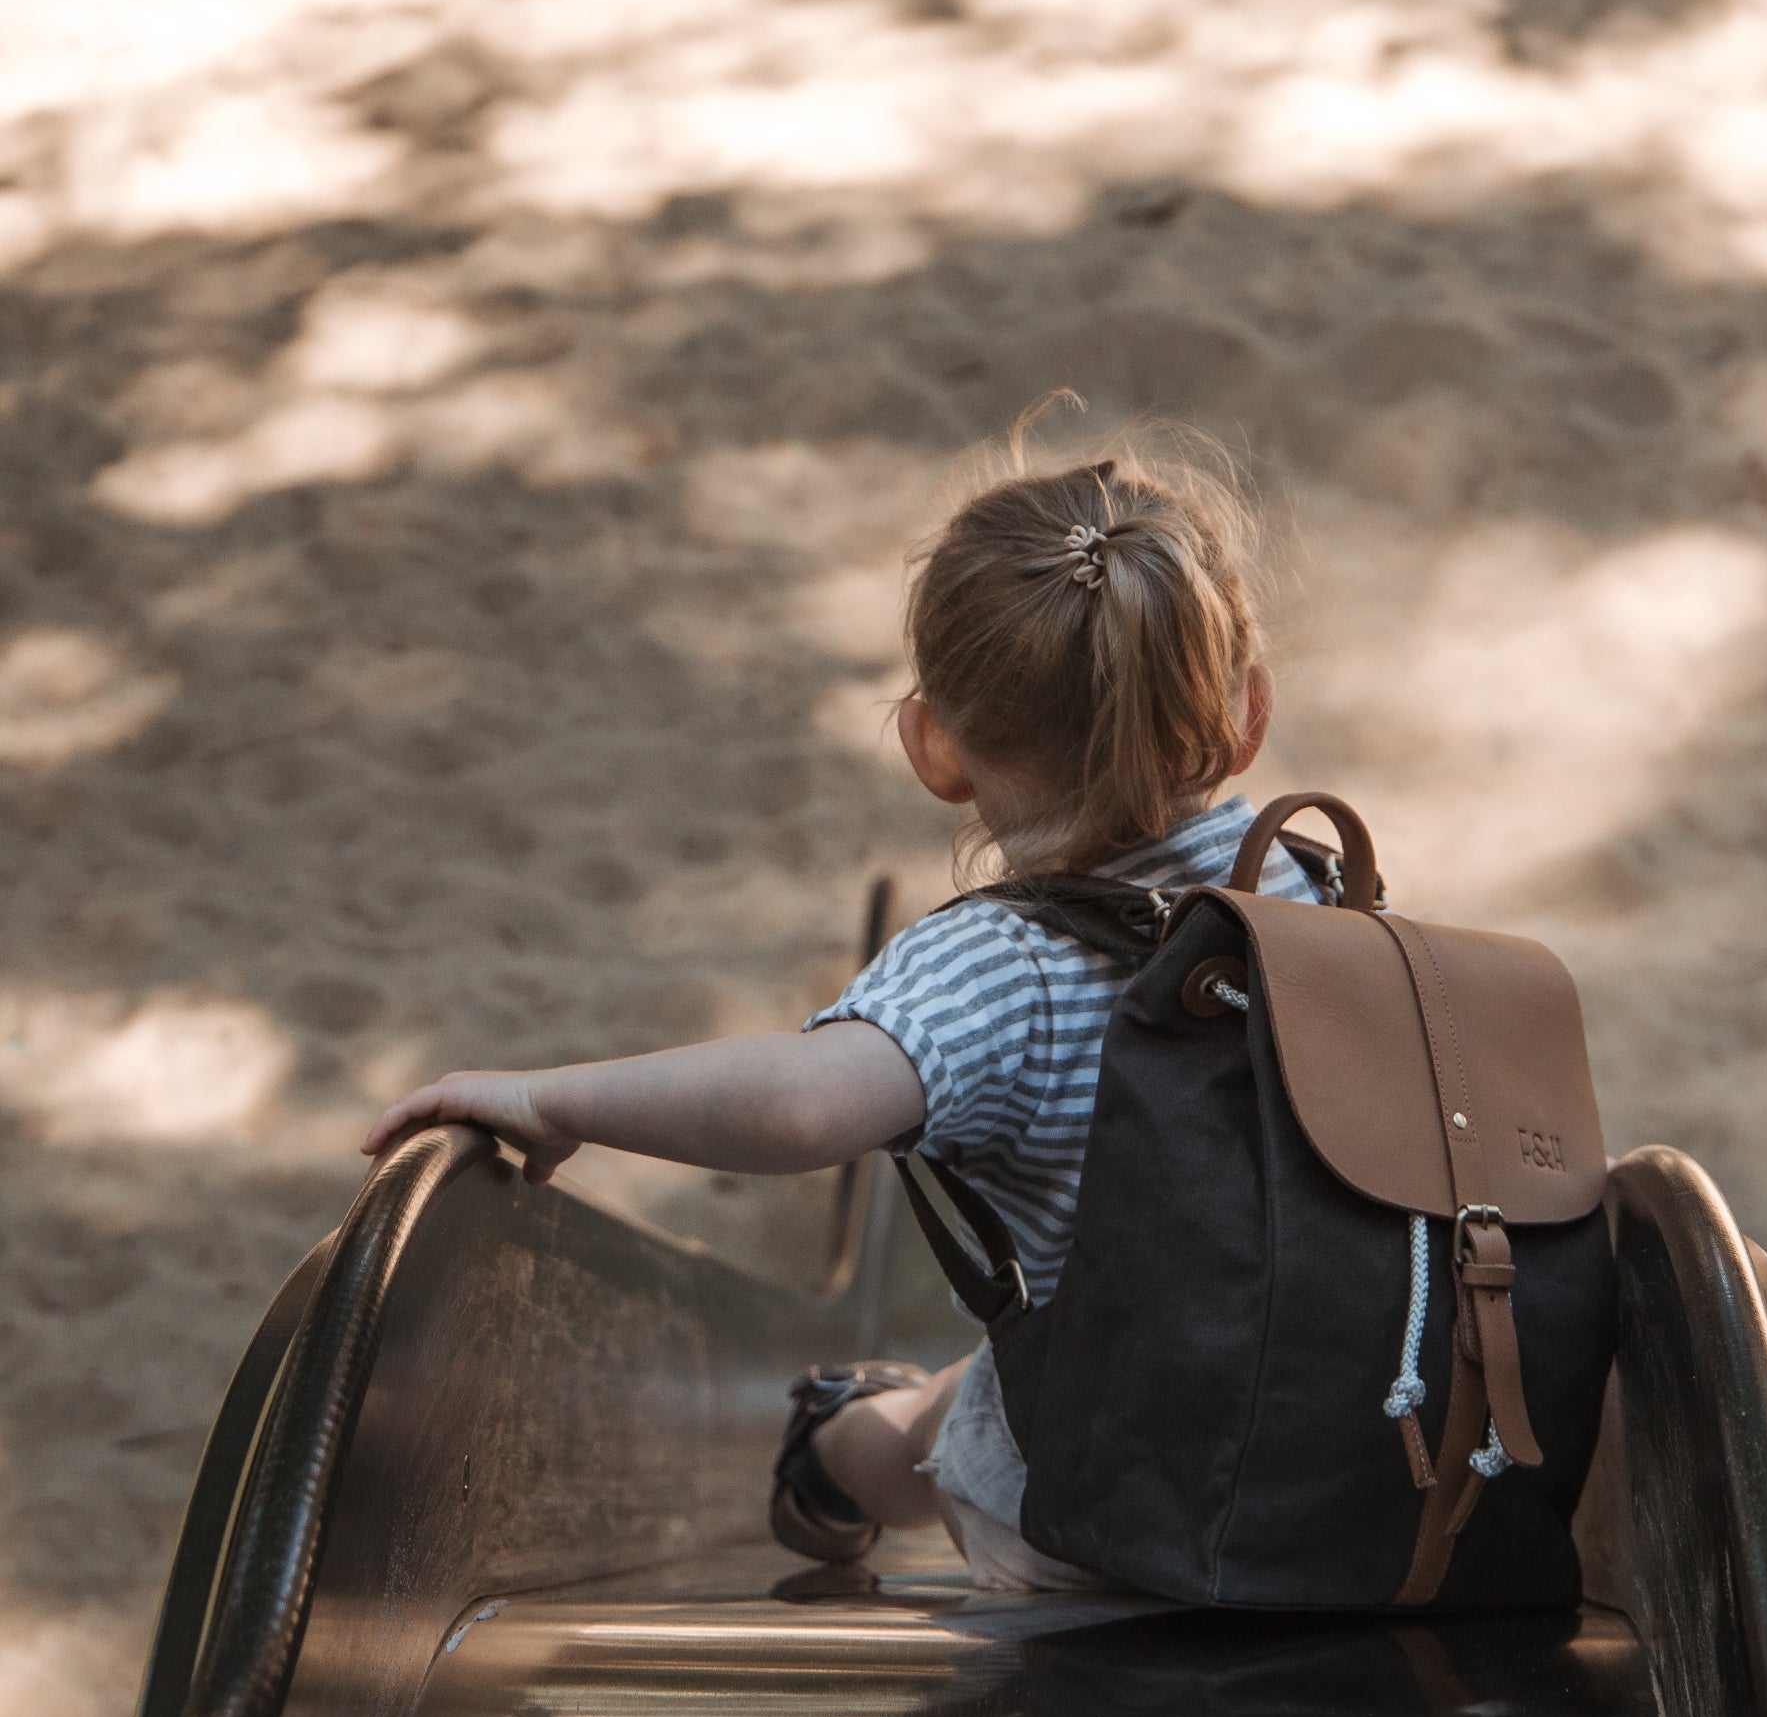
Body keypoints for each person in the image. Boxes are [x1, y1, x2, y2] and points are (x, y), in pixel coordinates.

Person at [362, 434, 1327, 1591]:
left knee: (958, 1428)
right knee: (998, 1385)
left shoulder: (993, 969)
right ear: (1246, 716)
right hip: (1348, 1437)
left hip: (1115, 1507)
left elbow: (797, 1106)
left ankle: (829, 1441)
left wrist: (547, 1093)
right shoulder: (1312, 886)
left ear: (934, 747)